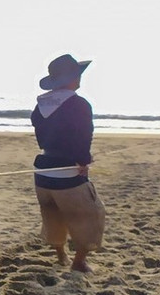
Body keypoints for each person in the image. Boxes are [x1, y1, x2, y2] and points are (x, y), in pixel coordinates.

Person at [30, 54, 106, 273]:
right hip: (67, 174)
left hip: (43, 171)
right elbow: (84, 136)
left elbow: (43, 139)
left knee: (52, 215)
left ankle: (61, 255)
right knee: (90, 215)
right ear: (71, 79)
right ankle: (79, 262)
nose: (80, 80)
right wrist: (84, 161)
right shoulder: (79, 104)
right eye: (77, 76)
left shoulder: (41, 105)